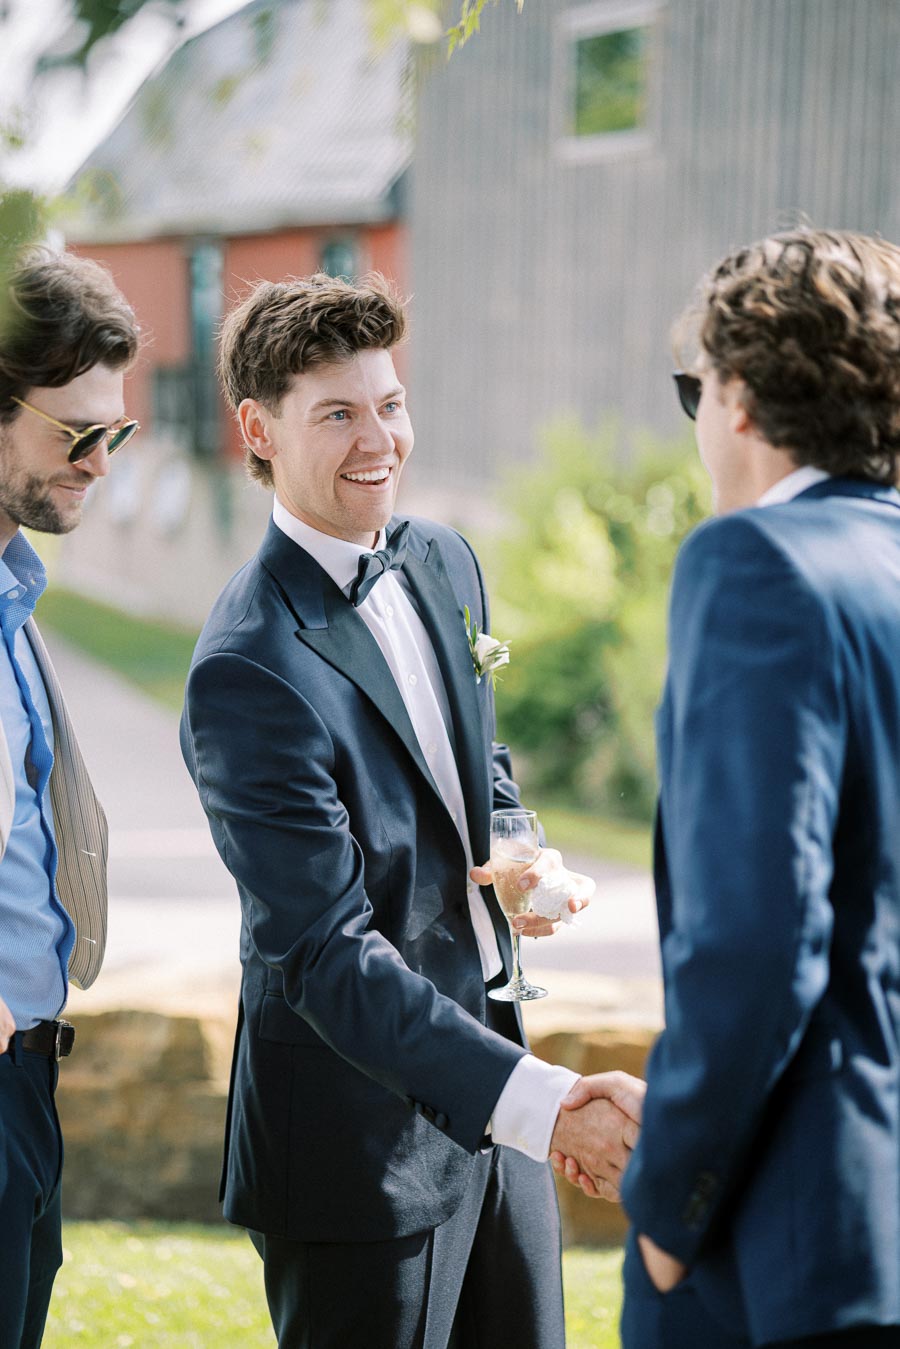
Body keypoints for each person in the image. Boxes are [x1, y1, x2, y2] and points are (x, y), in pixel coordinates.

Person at [180, 271, 644, 1348]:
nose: (377, 439)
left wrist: (519, 845)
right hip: (356, 1153)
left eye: (388, 404)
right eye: (336, 413)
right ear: (259, 428)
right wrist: (548, 1099)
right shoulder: (246, 666)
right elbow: (325, 955)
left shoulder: (443, 558)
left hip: (497, 1106)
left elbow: (477, 765)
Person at [557, 227, 900, 1347]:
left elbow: (758, 934)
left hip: (786, 1238)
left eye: (690, 386)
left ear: (738, 396)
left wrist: (671, 1201)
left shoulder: (756, 564)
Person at [0, 245, 140, 1348]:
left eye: (116, 432)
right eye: (73, 432)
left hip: (32, 1074)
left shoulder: (17, 600)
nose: (99, 460)